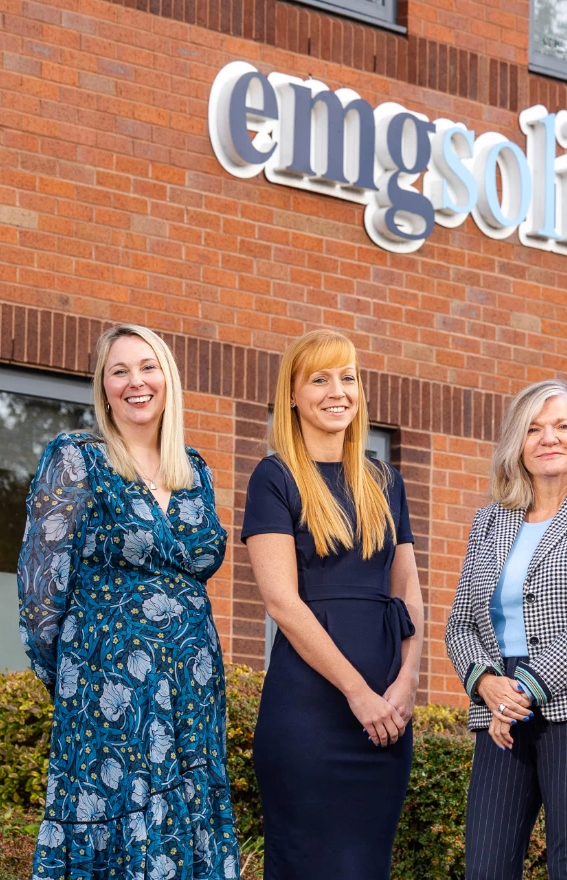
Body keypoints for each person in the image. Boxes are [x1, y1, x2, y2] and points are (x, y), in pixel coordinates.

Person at [19, 324, 239, 879]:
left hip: (192, 693)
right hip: (106, 691)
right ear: (104, 386)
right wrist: (79, 674)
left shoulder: (195, 471)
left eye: (147, 367)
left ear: (168, 379)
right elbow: (40, 591)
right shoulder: (77, 459)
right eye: (119, 371)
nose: (135, 382)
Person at [445, 379, 567, 880]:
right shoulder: (490, 520)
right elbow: (460, 622)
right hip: (500, 706)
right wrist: (487, 684)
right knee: (485, 868)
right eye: (533, 428)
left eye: (562, 426)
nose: (548, 438)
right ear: (518, 443)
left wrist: (525, 688)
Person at [242, 329, 422, 879]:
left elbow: (409, 590)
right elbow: (281, 602)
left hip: (387, 717)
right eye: (319, 379)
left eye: (348, 378)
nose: (337, 391)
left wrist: (407, 683)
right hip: (310, 717)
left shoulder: (384, 481)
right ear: (292, 394)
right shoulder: (274, 478)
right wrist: (358, 694)